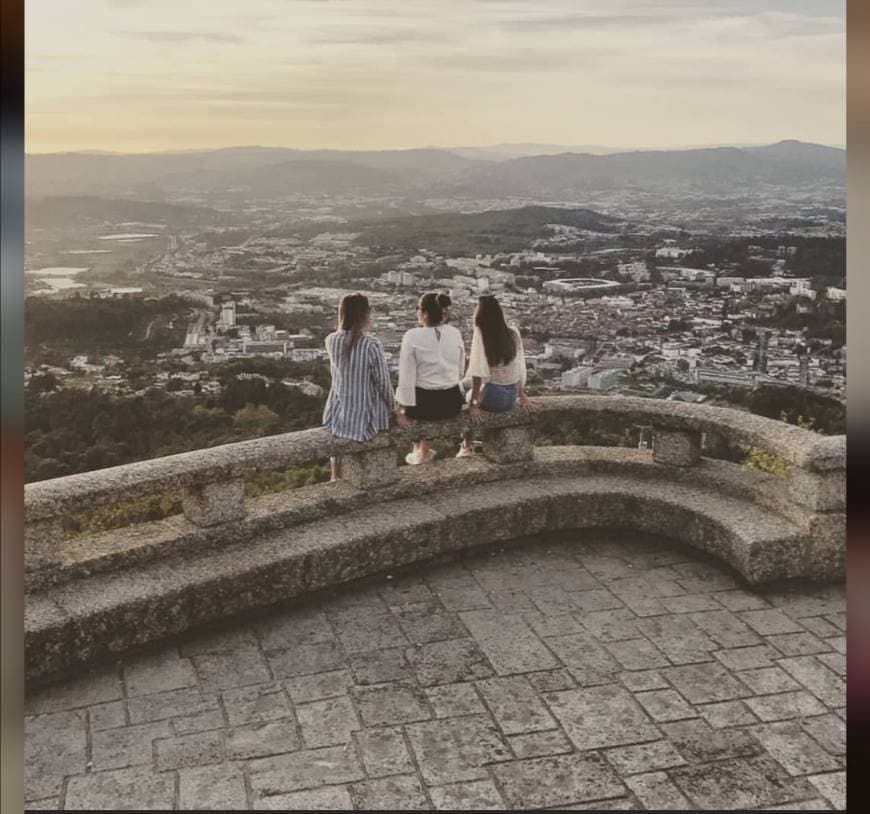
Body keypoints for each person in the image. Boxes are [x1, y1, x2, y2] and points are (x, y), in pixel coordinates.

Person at [323, 293, 399, 481]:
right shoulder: (371, 344)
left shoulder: (331, 340)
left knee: (336, 434)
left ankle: (335, 474)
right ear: (365, 315)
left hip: (339, 409)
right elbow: (383, 382)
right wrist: (395, 409)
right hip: (365, 412)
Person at [457, 294, 539, 457]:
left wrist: (474, 405)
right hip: (510, 396)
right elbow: (519, 365)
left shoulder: (481, 334)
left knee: (460, 392)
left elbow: (477, 373)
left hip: (493, 396)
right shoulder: (513, 332)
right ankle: (468, 444)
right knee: (463, 384)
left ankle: (466, 445)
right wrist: (522, 395)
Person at [395, 291, 466, 465]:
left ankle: (420, 451)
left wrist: (401, 410)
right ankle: (422, 450)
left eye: (418, 309)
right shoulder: (455, 333)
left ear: (425, 313)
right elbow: (460, 369)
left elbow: (406, 376)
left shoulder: (412, 336)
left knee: (414, 392)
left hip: (424, 405)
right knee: (428, 388)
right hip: (452, 402)